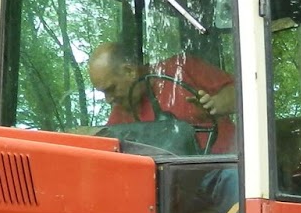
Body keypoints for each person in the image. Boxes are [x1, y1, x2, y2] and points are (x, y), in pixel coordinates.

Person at [87, 42, 238, 153]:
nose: (108, 99)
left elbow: (241, 93)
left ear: (129, 71)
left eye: (111, 89)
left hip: (220, 167)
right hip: (168, 184)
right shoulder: (121, 112)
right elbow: (105, 148)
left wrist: (216, 105)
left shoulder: (182, 68)